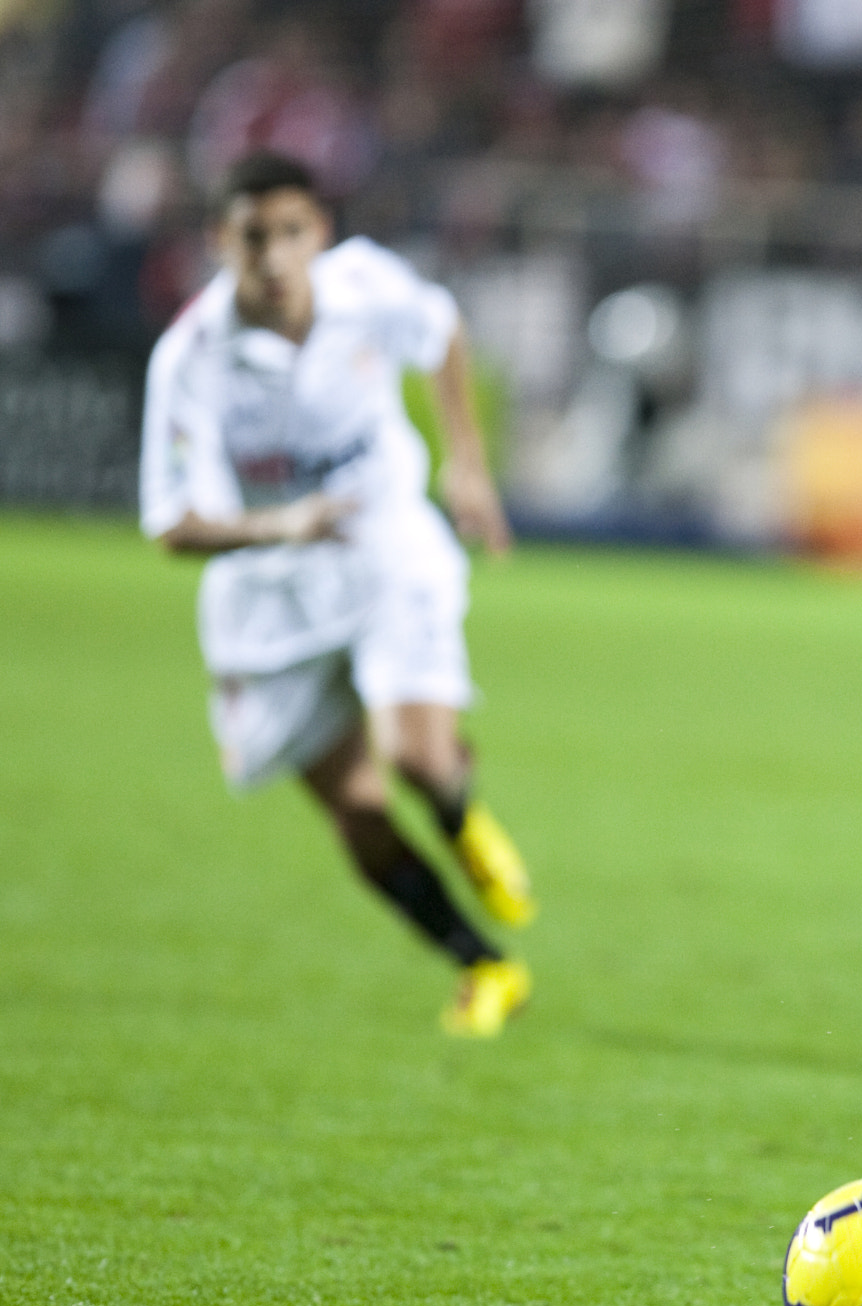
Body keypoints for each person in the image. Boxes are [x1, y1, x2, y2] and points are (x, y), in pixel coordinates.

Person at [140, 151, 537, 1038]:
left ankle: (459, 813)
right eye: (255, 238)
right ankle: (485, 965)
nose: (276, 256)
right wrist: (282, 525)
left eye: (292, 234)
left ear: (319, 233)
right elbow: (170, 522)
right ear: (221, 242)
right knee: (357, 817)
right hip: (268, 599)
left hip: (385, 548)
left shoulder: (363, 287)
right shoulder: (190, 359)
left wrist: (466, 464)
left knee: (417, 758)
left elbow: (441, 333)